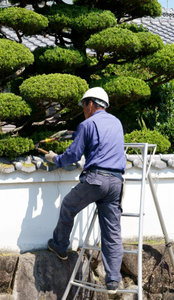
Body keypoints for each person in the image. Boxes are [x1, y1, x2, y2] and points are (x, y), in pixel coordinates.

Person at [44, 87, 126, 293]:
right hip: (116, 182)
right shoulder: (116, 122)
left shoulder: (87, 124)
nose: (83, 110)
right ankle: (113, 280)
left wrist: (55, 159)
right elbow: (102, 143)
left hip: (96, 180)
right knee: (112, 232)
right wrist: (77, 133)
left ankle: (60, 246)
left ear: (90, 104)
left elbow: (73, 155)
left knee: (68, 206)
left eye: (83, 106)